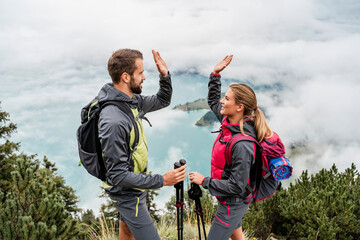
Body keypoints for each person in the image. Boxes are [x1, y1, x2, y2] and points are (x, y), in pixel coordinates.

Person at [98, 49, 187, 240]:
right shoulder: (113, 121)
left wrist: (165, 75)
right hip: (127, 192)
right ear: (125, 77)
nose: (144, 77)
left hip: (135, 183)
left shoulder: (131, 102)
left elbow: (163, 100)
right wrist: (162, 180)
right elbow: (118, 175)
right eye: (140, 73)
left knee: (127, 230)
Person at [189, 55, 272, 240]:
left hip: (232, 203)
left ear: (239, 107)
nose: (222, 101)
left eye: (227, 98)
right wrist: (215, 74)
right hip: (229, 200)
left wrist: (204, 181)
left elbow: (237, 185)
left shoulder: (243, 144)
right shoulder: (229, 124)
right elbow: (212, 101)